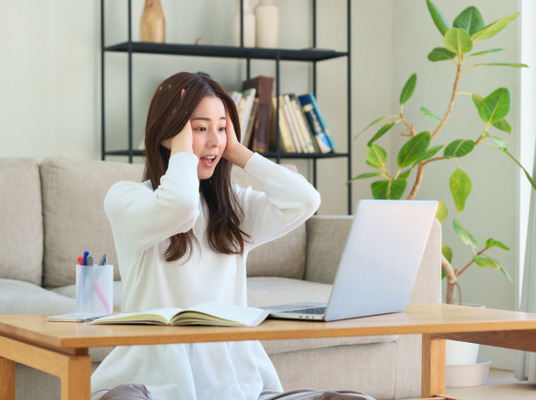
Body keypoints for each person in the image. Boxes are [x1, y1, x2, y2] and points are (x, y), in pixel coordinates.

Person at [91, 72, 375, 400]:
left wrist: (237, 150)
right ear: (169, 135)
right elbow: (180, 206)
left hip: (235, 384)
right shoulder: (126, 198)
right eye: (199, 128)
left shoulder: (234, 207)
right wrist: (183, 147)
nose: (214, 141)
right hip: (152, 383)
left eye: (222, 128)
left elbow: (306, 200)